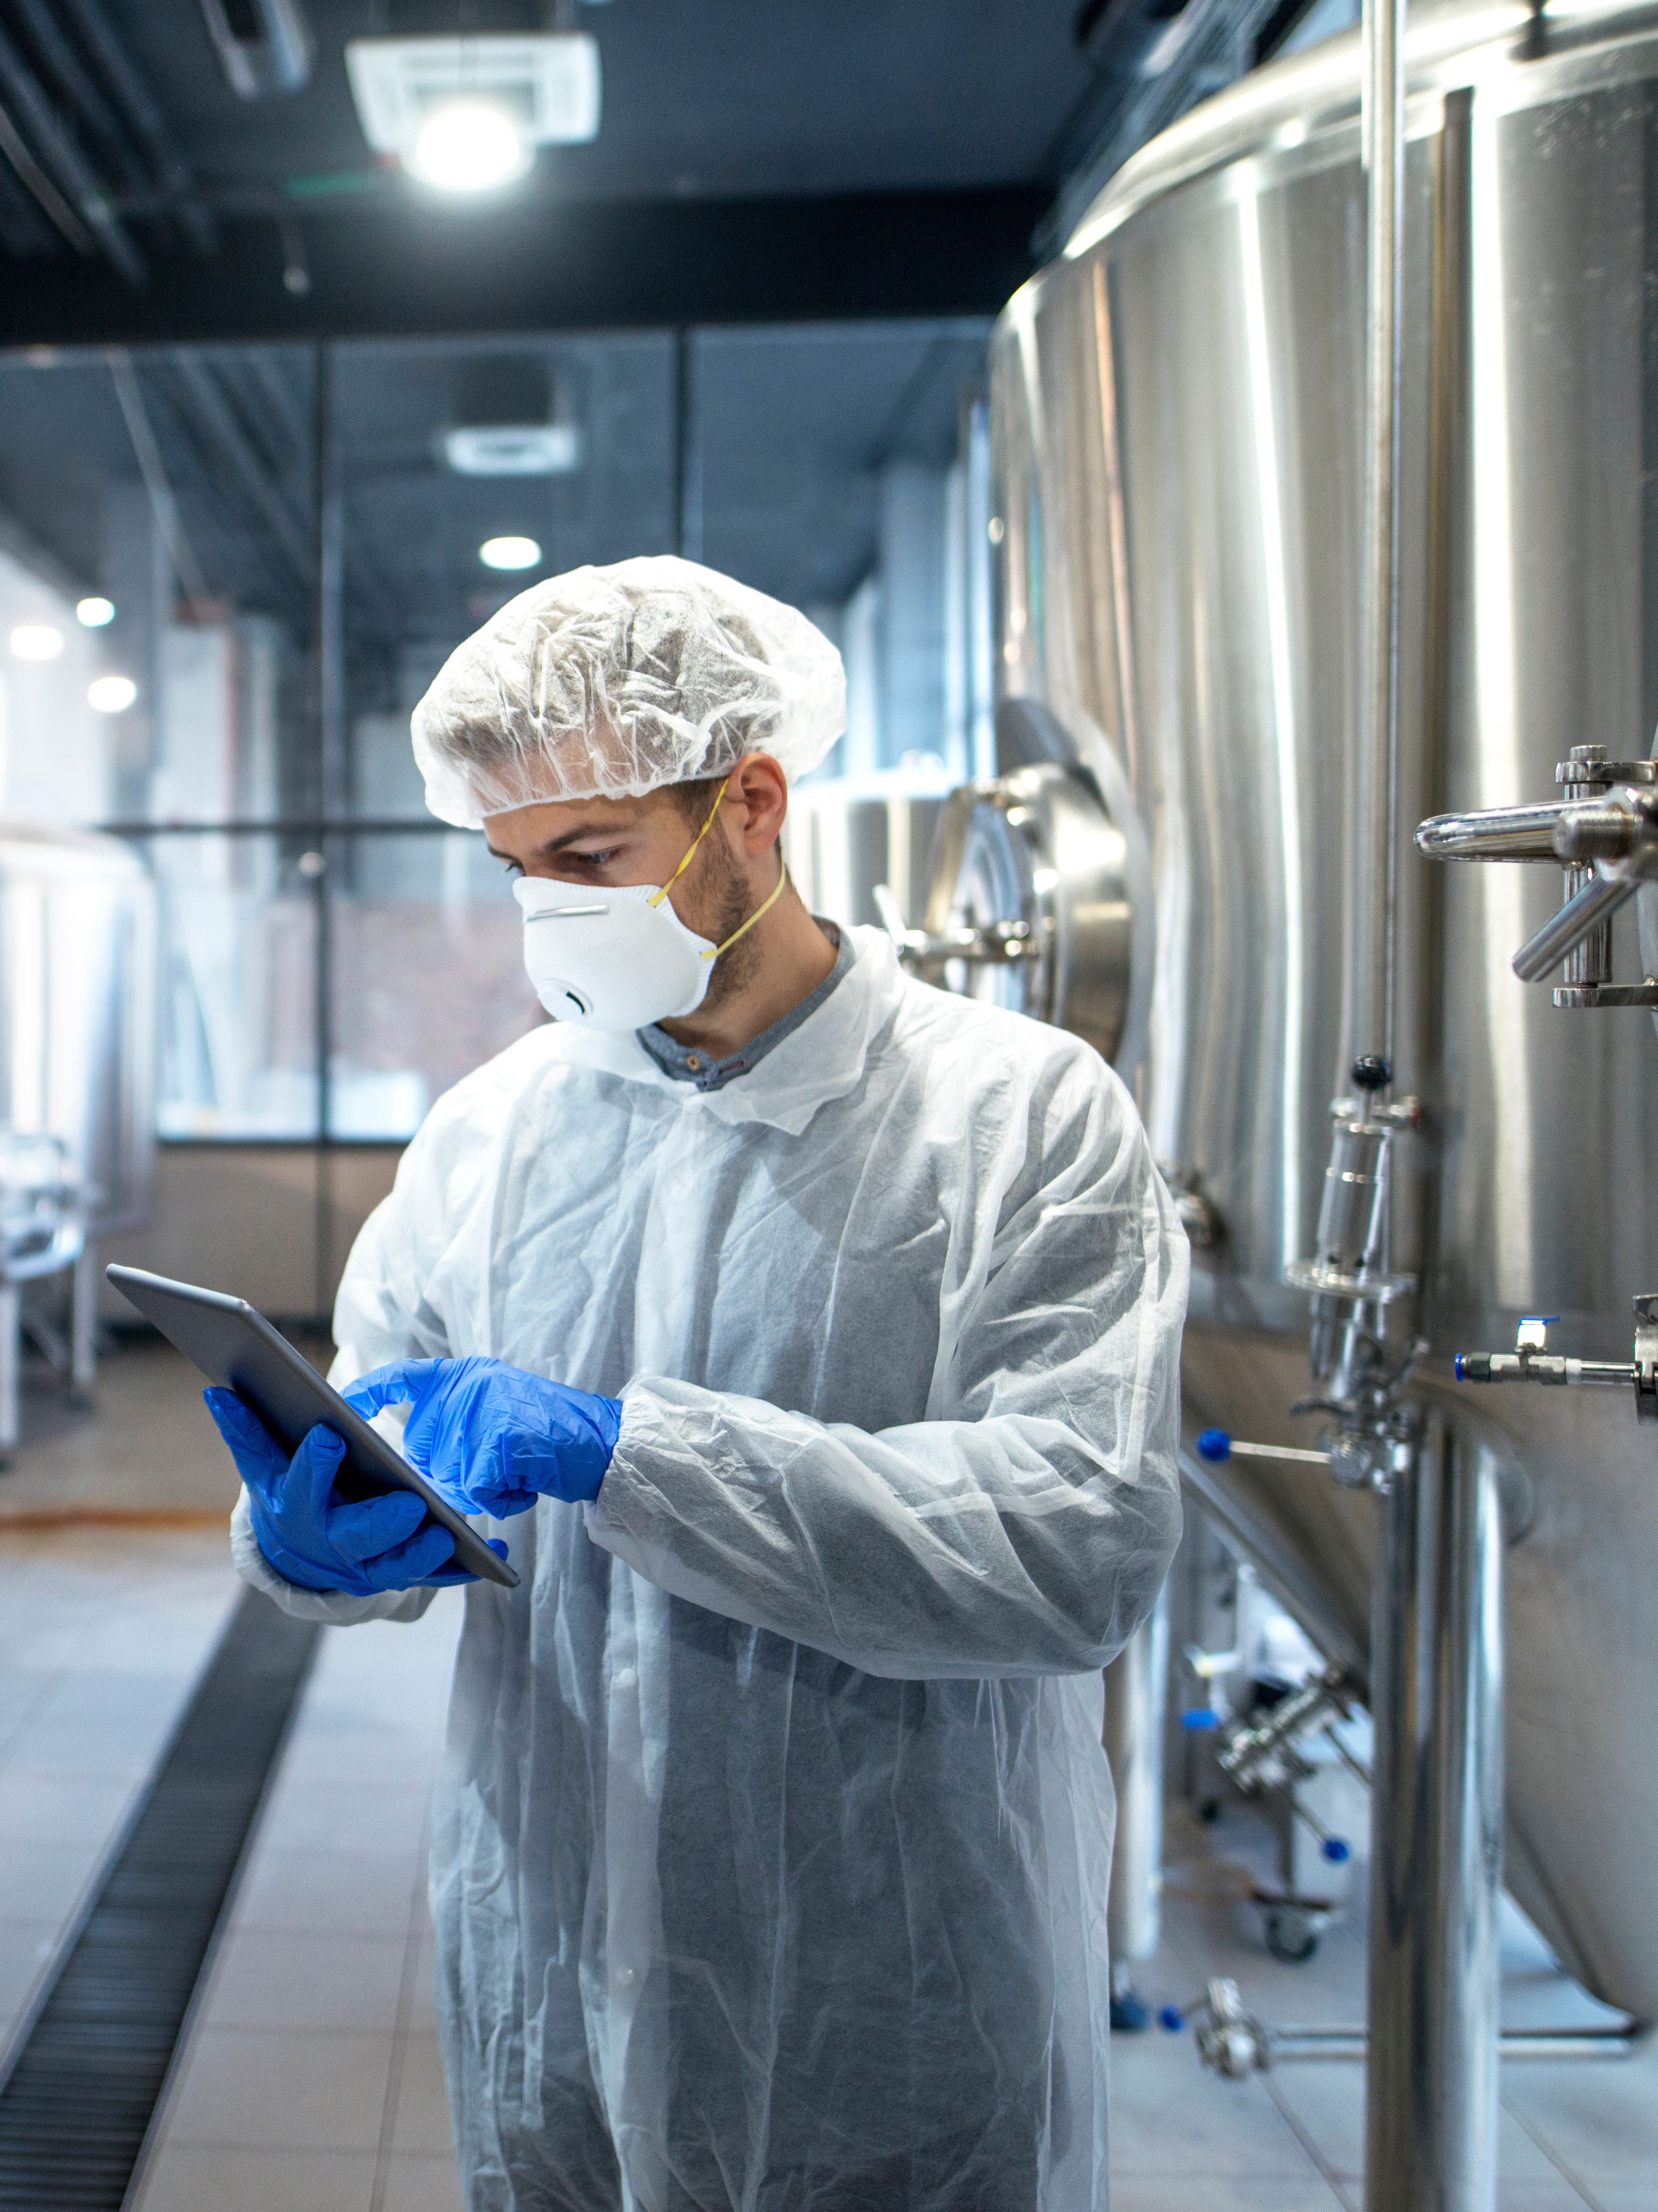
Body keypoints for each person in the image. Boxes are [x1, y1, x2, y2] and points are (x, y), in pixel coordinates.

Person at [202, 556, 1188, 2211]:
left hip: (904, 1990)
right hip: (554, 1977)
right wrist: (310, 1539)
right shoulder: (493, 1135)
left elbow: (1078, 1542)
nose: (553, 914)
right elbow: (379, 1413)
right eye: (519, 871)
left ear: (751, 801)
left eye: (591, 856)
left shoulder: (1019, 1117)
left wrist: (623, 1452)